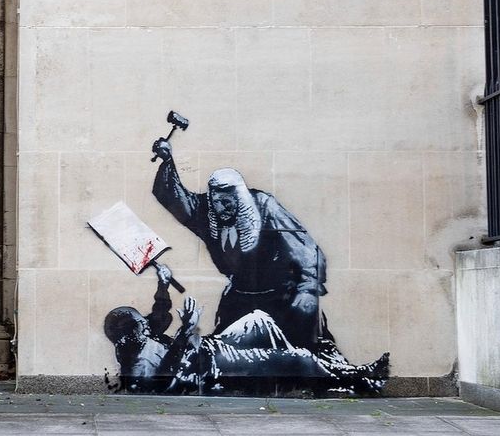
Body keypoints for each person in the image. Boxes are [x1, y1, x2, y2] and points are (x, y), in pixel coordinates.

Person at [103, 265, 389, 395]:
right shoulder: (137, 363)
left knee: (258, 319)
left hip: (211, 347)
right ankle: (353, 376)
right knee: (298, 358)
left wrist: (163, 282)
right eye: (140, 322)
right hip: (213, 364)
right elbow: (160, 384)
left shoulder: (143, 335)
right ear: (128, 334)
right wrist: (185, 331)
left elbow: (159, 315)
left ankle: (319, 374)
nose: (146, 322)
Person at [151, 137, 328, 347]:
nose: (221, 209)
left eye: (226, 202)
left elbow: (305, 249)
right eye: (215, 202)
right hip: (239, 298)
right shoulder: (208, 214)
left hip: (279, 299)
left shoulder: (265, 207)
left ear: (239, 198)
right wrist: (167, 160)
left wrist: (307, 289)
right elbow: (176, 199)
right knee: (224, 355)